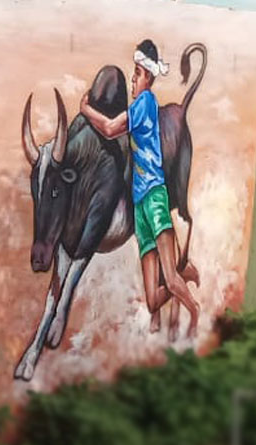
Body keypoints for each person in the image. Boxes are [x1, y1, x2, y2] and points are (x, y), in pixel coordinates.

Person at [79, 39, 198, 335]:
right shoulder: (138, 108)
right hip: (140, 206)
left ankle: (194, 311)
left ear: (147, 76)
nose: (132, 79)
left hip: (154, 197)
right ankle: (184, 273)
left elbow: (110, 129)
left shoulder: (145, 103)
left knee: (169, 279)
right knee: (153, 301)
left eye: (136, 73)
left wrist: (85, 109)